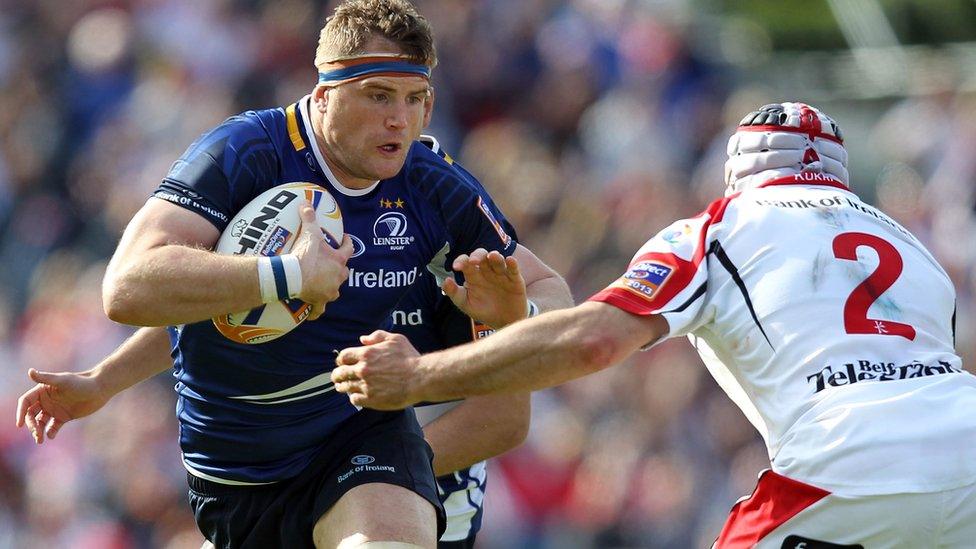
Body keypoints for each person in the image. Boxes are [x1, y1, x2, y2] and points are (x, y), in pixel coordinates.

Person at [332, 102, 976, 548]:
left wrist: (417, 375)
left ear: (737, 172)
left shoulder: (721, 226)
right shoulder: (916, 249)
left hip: (847, 461)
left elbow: (591, 341)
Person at [90, 0, 572, 546]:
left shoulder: (434, 190)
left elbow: (543, 305)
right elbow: (131, 288)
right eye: (378, 96)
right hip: (238, 476)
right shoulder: (246, 152)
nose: (399, 120)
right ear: (324, 96)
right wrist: (286, 274)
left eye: (415, 100)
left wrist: (517, 318)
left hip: (372, 447)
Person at [16, 257, 538, 549]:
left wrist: (350, 469)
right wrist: (104, 379)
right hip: (293, 493)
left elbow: (505, 420)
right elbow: (225, 318)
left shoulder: (464, 242)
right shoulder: (320, 215)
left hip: (428, 509)